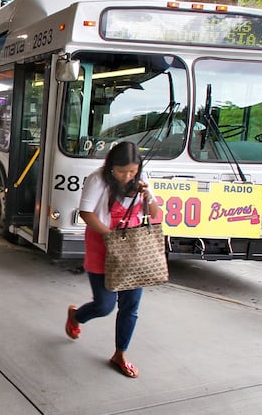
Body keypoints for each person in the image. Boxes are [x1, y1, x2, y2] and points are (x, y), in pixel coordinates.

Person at [65, 141, 161, 379]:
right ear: (111, 167)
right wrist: (110, 237)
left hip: (132, 250)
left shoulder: (140, 179)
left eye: (132, 170)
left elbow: (155, 213)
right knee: (104, 306)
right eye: (122, 171)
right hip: (102, 246)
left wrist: (146, 194)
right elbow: (86, 213)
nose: (128, 176)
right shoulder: (97, 179)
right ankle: (76, 316)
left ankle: (120, 354)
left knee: (130, 307)